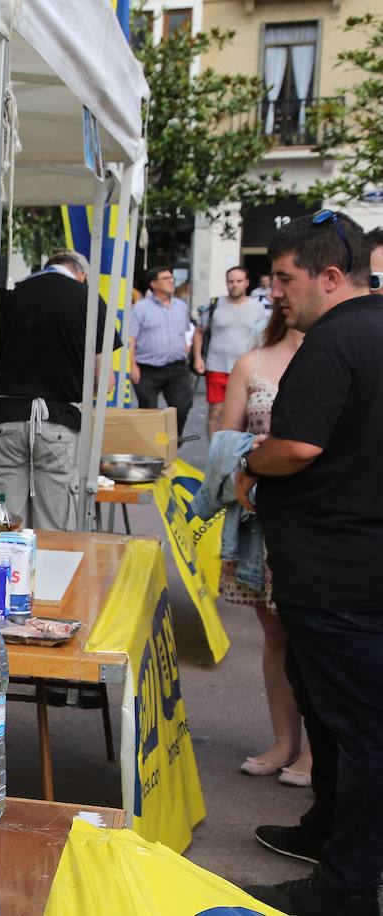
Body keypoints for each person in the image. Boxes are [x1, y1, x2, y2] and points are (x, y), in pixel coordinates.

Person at [236, 211, 383, 916]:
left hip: (336, 572)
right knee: (329, 709)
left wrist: (248, 464)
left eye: (286, 278)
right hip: (347, 565)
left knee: (357, 729)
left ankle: (348, 885)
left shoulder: (333, 341)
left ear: (330, 276)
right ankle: (326, 832)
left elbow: (295, 447)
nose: (276, 293)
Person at [218, 303, 312, 787]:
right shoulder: (252, 363)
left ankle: (319, 753)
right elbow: (224, 438)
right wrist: (248, 456)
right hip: (258, 522)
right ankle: (284, 741)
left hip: (316, 519)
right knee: (276, 637)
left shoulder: (337, 355)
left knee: (314, 639)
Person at [0, 250, 119, 531]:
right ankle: (50, 571)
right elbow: (105, 381)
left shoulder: (5, 295)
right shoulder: (88, 299)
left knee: (3, 520)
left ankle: (4, 573)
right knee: (56, 522)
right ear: (80, 275)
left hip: (4, 420)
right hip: (59, 423)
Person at [192, 266, 269, 437]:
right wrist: (198, 358)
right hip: (217, 366)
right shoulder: (214, 304)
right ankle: (214, 455)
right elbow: (199, 332)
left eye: (239, 281)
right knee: (216, 412)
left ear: (247, 283)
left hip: (245, 370)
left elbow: (262, 339)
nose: (234, 285)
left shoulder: (257, 307)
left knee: (242, 415)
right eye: (231, 281)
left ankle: (234, 455)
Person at [127, 265, 194, 436]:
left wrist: (187, 346)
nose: (171, 281)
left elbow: (187, 330)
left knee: (183, 406)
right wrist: (132, 365)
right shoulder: (141, 308)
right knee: (149, 412)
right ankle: (151, 449)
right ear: (154, 284)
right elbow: (130, 338)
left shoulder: (181, 306)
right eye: (165, 278)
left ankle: (172, 443)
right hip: (147, 369)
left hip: (177, 367)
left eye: (172, 277)